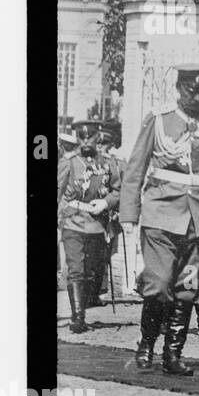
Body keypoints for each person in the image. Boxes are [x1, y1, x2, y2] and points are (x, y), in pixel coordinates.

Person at [119, 63, 199, 375]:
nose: (194, 96)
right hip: (161, 212)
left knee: (187, 287)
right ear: (178, 88)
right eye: (188, 90)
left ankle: (173, 354)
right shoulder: (159, 120)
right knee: (158, 284)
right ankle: (146, 343)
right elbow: (135, 168)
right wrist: (129, 213)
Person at [58, 119, 123, 333]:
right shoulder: (69, 162)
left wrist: (106, 203)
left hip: (97, 225)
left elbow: (118, 190)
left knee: (91, 271)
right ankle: (78, 317)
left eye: (90, 137)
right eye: (81, 137)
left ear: (98, 137)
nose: (86, 141)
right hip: (73, 222)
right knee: (76, 268)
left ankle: (84, 307)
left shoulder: (107, 162)